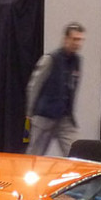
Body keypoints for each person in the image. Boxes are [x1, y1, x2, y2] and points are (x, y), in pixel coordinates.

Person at [25, 22, 84, 156]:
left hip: (65, 118)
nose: (77, 43)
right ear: (66, 39)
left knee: (77, 152)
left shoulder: (77, 61)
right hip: (44, 116)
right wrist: (30, 112)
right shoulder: (50, 59)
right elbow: (34, 86)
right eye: (75, 39)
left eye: (80, 40)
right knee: (34, 155)